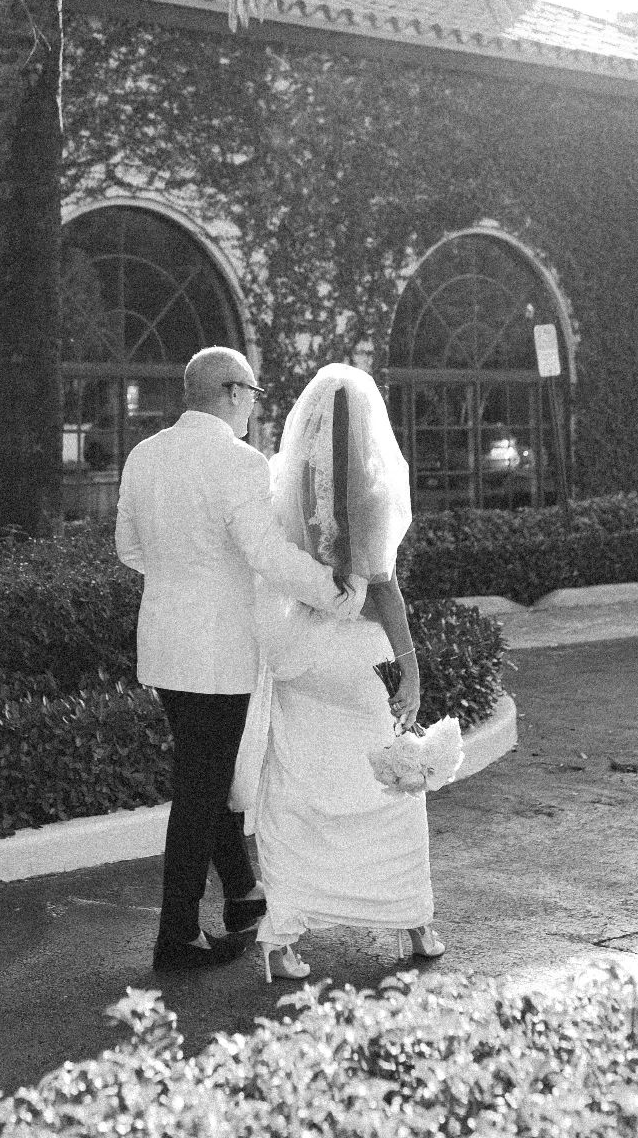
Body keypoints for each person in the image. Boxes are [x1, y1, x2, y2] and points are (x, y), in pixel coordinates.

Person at [115, 346, 367, 973]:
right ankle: (175, 938)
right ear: (230, 392)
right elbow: (265, 553)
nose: (255, 406)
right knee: (201, 791)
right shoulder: (239, 463)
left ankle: (242, 895)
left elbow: (129, 548)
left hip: (163, 647)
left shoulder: (143, 456)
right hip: (218, 654)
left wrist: (184, 580)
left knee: (210, 775)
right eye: (252, 394)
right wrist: (329, 587)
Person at [232, 362, 445, 983]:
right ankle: (414, 921)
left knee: (296, 788)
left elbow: (267, 568)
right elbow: (386, 591)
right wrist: (409, 671)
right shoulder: (373, 490)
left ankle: (283, 938)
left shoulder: (281, 480)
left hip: (296, 653)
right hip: (350, 659)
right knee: (387, 790)